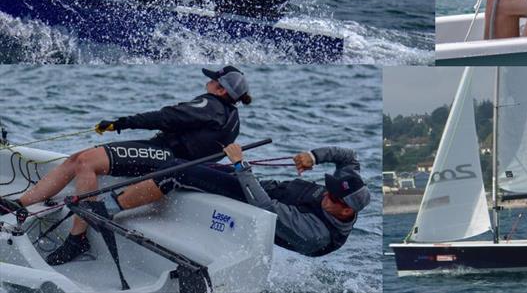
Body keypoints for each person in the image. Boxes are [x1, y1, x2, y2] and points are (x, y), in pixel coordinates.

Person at [3, 68, 250, 266]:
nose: (208, 82)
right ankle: (18, 205)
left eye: (213, 80)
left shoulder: (210, 105)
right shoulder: (232, 120)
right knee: (79, 157)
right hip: (169, 160)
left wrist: (121, 123)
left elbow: (166, 116)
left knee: (85, 162)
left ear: (220, 88)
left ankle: (76, 239)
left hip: (164, 157)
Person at [105, 143, 369, 259]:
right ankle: (120, 186)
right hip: (266, 190)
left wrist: (241, 165)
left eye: (333, 196)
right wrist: (314, 155)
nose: (326, 193)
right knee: (186, 164)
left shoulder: (316, 233)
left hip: (263, 206)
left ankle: (106, 208)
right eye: (329, 188)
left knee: (180, 173)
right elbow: (348, 157)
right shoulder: (348, 186)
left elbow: (264, 208)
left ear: (346, 210)